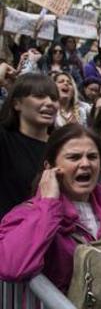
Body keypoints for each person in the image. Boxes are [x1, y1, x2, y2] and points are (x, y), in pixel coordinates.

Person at [0, 124, 101, 307]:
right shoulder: (26, 215)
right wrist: (48, 204)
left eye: (92, 157)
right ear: (50, 167)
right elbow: (11, 267)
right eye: (74, 157)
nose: (85, 164)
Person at [0, 73, 59, 218]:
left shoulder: (62, 145)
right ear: (16, 104)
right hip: (10, 234)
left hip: (54, 232)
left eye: (54, 98)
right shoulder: (4, 138)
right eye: (39, 96)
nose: (50, 103)